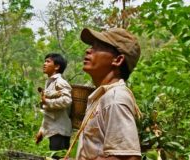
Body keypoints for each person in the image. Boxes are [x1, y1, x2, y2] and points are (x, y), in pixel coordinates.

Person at [75, 28, 142, 160]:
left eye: (97, 47)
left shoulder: (115, 98)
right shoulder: (101, 97)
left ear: (117, 60)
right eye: (91, 46)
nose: (88, 50)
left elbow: (128, 157)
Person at [36, 53, 73, 159]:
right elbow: (49, 113)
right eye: (45, 61)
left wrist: (47, 102)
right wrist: (41, 131)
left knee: (58, 158)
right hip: (55, 130)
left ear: (57, 66)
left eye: (48, 61)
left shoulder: (60, 82)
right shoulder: (50, 83)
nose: (44, 64)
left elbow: (67, 100)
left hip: (60, 130)